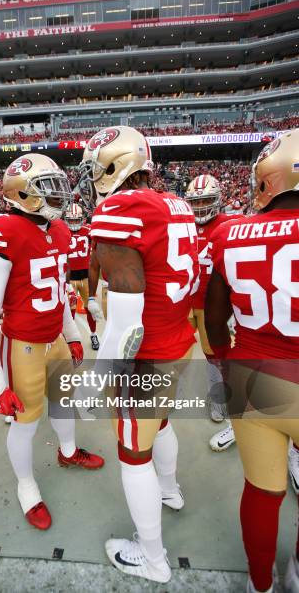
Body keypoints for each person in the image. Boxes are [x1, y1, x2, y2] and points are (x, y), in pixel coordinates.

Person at [78, 126, 199, 584]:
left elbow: (127, 324)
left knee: (133, 454)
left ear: (113, 166)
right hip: (178, 343)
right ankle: (169, 491)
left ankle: (153, 560)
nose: (92, 179)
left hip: (145, 354)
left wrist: (94, 383)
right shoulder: (176, 203)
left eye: (96, 168)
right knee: (161, 425)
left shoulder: (120, 206)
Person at [0, 153, 104, 531]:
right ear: (21, 193)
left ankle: (66, 452)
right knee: (25, 423)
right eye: (48, 188)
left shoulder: (59, 231)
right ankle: (27, 485)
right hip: (23, 345)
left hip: (54, 339)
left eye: (59, 185)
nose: (59, 195)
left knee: (63, 405)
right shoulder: (3, 231)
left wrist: (73, 332)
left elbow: (60, 291)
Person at [205, 130, 299, 593]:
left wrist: (227, 365)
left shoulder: (228, 232)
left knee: (262, 493)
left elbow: (216, 321)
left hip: (251, 374)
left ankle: (260, 584)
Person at [184, 174, 236, 448]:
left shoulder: (229, 224)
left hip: (209, 302)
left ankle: (218, 397)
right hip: (182, 300)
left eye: (206, 200)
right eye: (196, 201)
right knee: (171, 349)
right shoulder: (182, 225)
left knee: (213, 353)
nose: (201, 206)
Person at [64, 203, 100, 350]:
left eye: (75, 220)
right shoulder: (62, 231)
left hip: (86, 277)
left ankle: (93, 334)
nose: (73, 223)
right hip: (69, 278)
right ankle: (71, 339)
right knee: (69, 311)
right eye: (70, 220)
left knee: (91, 309)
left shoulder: (89, 231)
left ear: (82, 219)